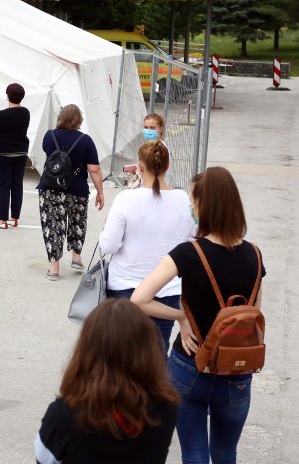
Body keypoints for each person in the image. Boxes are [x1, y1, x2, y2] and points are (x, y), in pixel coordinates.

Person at [131, 167, 265, 464]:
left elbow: (139, 299)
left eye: (193, 200)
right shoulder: (254, 255)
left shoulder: (188, 253)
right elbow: (255, 314)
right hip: (237, 369)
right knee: (226, 453)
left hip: (191, 364)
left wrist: (180, 316)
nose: (191, 207)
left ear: (205, 205)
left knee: (193, 453)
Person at [34, 299, 179, 464]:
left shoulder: (62, 416)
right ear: (149, 350)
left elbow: (43, 459)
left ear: (86, 350)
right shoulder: (166, 406)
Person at [98, 141, 194, 351]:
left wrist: (104, 231)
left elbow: (108, 245)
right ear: (167, 166)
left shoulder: (126, 199)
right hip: (167, 290)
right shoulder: (183, 200)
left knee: (121, 356)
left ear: (139, 166)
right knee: (157, 354)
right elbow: (192, 239)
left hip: (125, 287)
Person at [37, 105, 104, 281]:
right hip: (77, 189)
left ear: (60, 117)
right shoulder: (86, 140)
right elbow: (94, 169)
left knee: (52, 225)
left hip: (50, 187)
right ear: (79, 120)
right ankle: (76, 257)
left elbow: (48, 153)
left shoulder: (49, 136)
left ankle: (54, 268)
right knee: (77, 221)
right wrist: (100, 192)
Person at [0, 83, 30, 229]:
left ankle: (2, 219)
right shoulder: (26, 112)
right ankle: (14, 218)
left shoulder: (1, 115)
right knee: (17, 184)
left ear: (7, 96)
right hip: (21, 152)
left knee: (4, 186)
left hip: (4, 154)